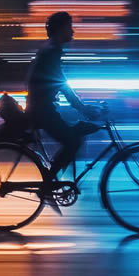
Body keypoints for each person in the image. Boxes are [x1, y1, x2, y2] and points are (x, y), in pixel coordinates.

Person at [26, 11, 101, 187]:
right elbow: (61, 84)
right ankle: (48, 183)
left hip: (43, 107)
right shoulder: (52, 51)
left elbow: (59, 83)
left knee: (75, 131)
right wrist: (82, 108)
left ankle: (52, 178)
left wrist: (81, 107)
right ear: (60, 29)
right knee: (72, 141)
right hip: (42, 111)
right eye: (69, 27)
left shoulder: (50, 49)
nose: (73, 32)